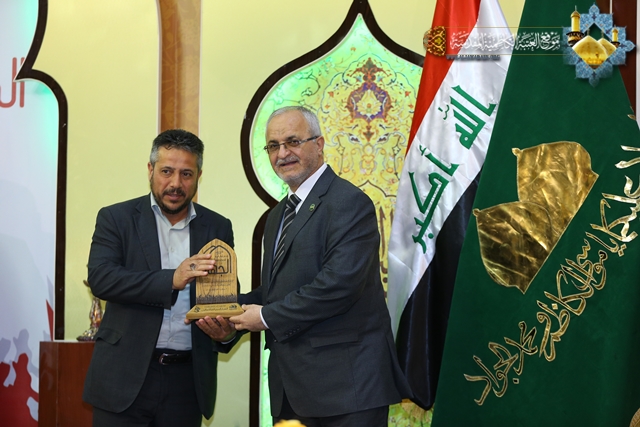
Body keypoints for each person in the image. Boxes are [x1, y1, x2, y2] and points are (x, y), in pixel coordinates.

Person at [230, 106, 412, 426]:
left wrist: (265, 316)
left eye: (293, 141)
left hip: (347, 391)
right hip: (293, 390)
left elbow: (339, 285)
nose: (282, 153)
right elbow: (275, 291)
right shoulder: (278, 216)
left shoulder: (348, 202)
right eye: (273, 146)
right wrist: (229, 311)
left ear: (319, 144)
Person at [83, 129, 237, 427]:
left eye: (186, 174)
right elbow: (101, 278)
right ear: (151, 170)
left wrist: (226, 333)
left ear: (199, 176)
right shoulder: (116, 218)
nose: (175, 183)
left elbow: (226, 297)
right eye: (167, 171)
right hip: (123, 379)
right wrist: (171, 280)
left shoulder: (217, 226)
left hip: (187, 383)